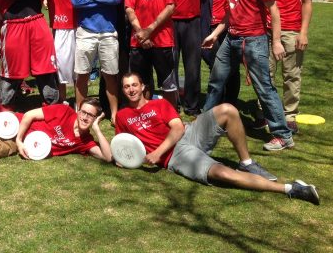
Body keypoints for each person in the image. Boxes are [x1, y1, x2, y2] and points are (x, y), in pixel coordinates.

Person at [114, 73, 319, 205]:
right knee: (222, 173)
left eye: (134, 85)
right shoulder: (123, 116)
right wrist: (124, 159)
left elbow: (177, 129)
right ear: (123, 90)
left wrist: (157, 152)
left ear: (142, 86)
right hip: (176, 156)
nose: (131, 89)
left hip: (187, 134)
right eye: (126, 87)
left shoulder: (159, 104)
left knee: (228, 109)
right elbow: (121, 146)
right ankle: (292, 188)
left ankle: (247, 162)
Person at [202, 0, 294, 151]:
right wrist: (215, 34)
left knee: (264, 88)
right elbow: (229, 12)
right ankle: (203, 125)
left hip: (253, 40)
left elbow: (273, 9)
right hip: (231, 37)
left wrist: (277, 41)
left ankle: (282, 135)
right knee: (216, 82)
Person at [258, 0, 313, 134]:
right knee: (265, 75)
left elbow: (307, 2)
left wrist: (303, 32)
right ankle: (266, 113)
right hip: (265, 31)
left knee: (291, 75)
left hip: (291, 30)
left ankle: (289, 115)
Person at [70, 0, 123, 122]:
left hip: (108, 32)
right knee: (82, 75)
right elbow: (76, 1)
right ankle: (80, 112)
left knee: (110, 76)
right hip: (86, 31)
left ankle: (114, 114)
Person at [124, 0, 179, 108]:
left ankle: (171, 116)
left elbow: (171, 6)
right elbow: (129, 8)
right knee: (141, 83)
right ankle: (144, 115)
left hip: (162, 38)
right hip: (138, 40)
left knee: (168, 83)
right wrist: (141, 32)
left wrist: (150, 30)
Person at [163, 0, 204, 116]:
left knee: (192, 65)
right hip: (170, 21)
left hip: (192, 20)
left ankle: (192, 105)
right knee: (170, 64)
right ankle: (172, 104)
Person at [201, 0, 240, 104]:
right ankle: (216, 100)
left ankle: (230, 102)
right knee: (212, 63)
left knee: (231, 67)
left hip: (230, 26)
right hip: (210, 24)